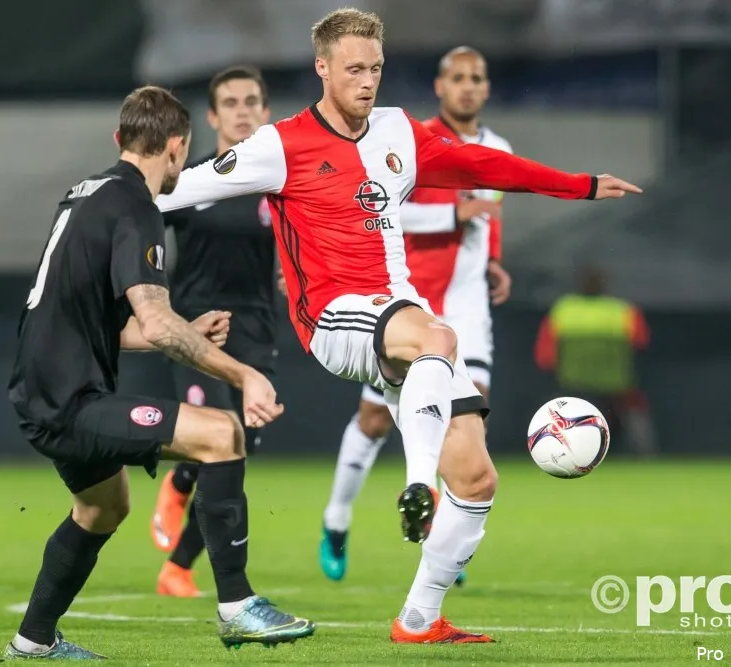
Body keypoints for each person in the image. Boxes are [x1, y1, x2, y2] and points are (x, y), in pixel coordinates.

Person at [156, 8, 641, 645]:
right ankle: (416, 486)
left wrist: (577, 185)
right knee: (439, 337)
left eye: (376, 68)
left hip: (394, 316)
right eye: (354, 68)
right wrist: (93, 206)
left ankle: (419, 618)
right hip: (330, 319)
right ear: (322, 68)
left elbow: (480, 166)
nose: (367, 81)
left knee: (476, 478)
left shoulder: (396, 132)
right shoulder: (280, 145)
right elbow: (175, 191)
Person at [3, 86, 314, 659]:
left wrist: (186, 328)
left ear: (119, 139)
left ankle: (33, 641)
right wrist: (244, 373)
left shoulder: (84, 194)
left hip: (43, 389)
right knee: (222, 434)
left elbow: (110, 322)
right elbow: (157, 321)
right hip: (70, 401)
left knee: (104, 508)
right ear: (177, 147)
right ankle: (239, 607)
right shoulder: (136, 206)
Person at [318, 46, 512, 587]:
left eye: (477, 77)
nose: (468, 87)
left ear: (486, 88)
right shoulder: (407, 140)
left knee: (471, 418)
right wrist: (455, 211)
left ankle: (444, 543)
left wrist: (494, 259)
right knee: (376, 420)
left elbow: (492, 213)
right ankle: (337, 519)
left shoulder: (497, 147)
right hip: (410, 305)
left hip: (467, 307)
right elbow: (385, 210)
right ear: (440, 85)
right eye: (458, 78)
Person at [149, 65, 278, 599]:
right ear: (212, 115)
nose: (242, 110)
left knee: (241, 447)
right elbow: (143, 227)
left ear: (266, 112)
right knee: (215, 437)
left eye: (251, 101)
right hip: (196, 325)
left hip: (257, 325)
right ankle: (179, 506)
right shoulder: (191, 180)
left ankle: (178, 562)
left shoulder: (279, 186)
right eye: (231, 102)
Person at [535, 265, 657, 456]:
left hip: (573, 385)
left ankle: (550, 449)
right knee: (635, 408)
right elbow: (643, 344)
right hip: (616, 384)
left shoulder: (563, 310)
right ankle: (644, 454)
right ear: (606, 286)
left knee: (553, 407)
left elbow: (545, 358)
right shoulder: (622, 311)